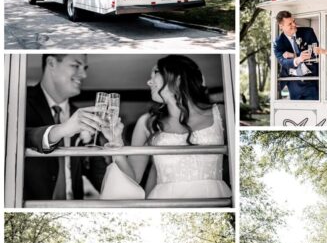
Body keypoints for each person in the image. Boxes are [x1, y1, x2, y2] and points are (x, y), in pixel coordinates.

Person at [102, 56, 230, 201]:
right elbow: (133, 177)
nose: (149, 82)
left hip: (215, 197)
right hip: (164, 201)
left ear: (177, 78)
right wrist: (116, 141)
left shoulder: (222, 113)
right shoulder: (147, 123)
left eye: (155, 73)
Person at [25, 54, 106, 201]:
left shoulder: (81, 116)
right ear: (51, 63)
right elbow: (23, 137)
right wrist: (63, 129)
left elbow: (103, 183)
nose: (84, 74)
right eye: (76, 65)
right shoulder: (18, 100)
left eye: (85, 68)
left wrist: (113, 145)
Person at [273, 10, 319, 101]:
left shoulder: (308, 32)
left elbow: (315, 53)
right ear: (281, 26)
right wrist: (298, 58)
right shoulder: (278, 43)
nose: (294, 25)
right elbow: (283, 62)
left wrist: (294, 55)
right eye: (290, 24)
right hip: (293, 83)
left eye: (293, 21)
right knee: (298, 113)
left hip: (311, 80)